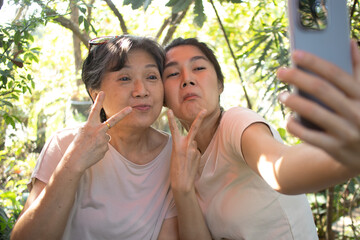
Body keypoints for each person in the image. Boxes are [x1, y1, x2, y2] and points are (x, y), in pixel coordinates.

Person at [162, 37, 360, 240]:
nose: (187, 78)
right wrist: (182, 190)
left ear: (220, 84)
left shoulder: (234, 122)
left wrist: (346, 154)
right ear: (164, 98)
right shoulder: (182, 159)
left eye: (199, 68)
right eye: (173, 73)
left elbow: (281, 168)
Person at [11, 35, 179, 240]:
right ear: (95, 92)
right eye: (125, 78)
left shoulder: (176, 155)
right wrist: (72, 164)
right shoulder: (66, 143)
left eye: (152, 77)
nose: (141, 91)